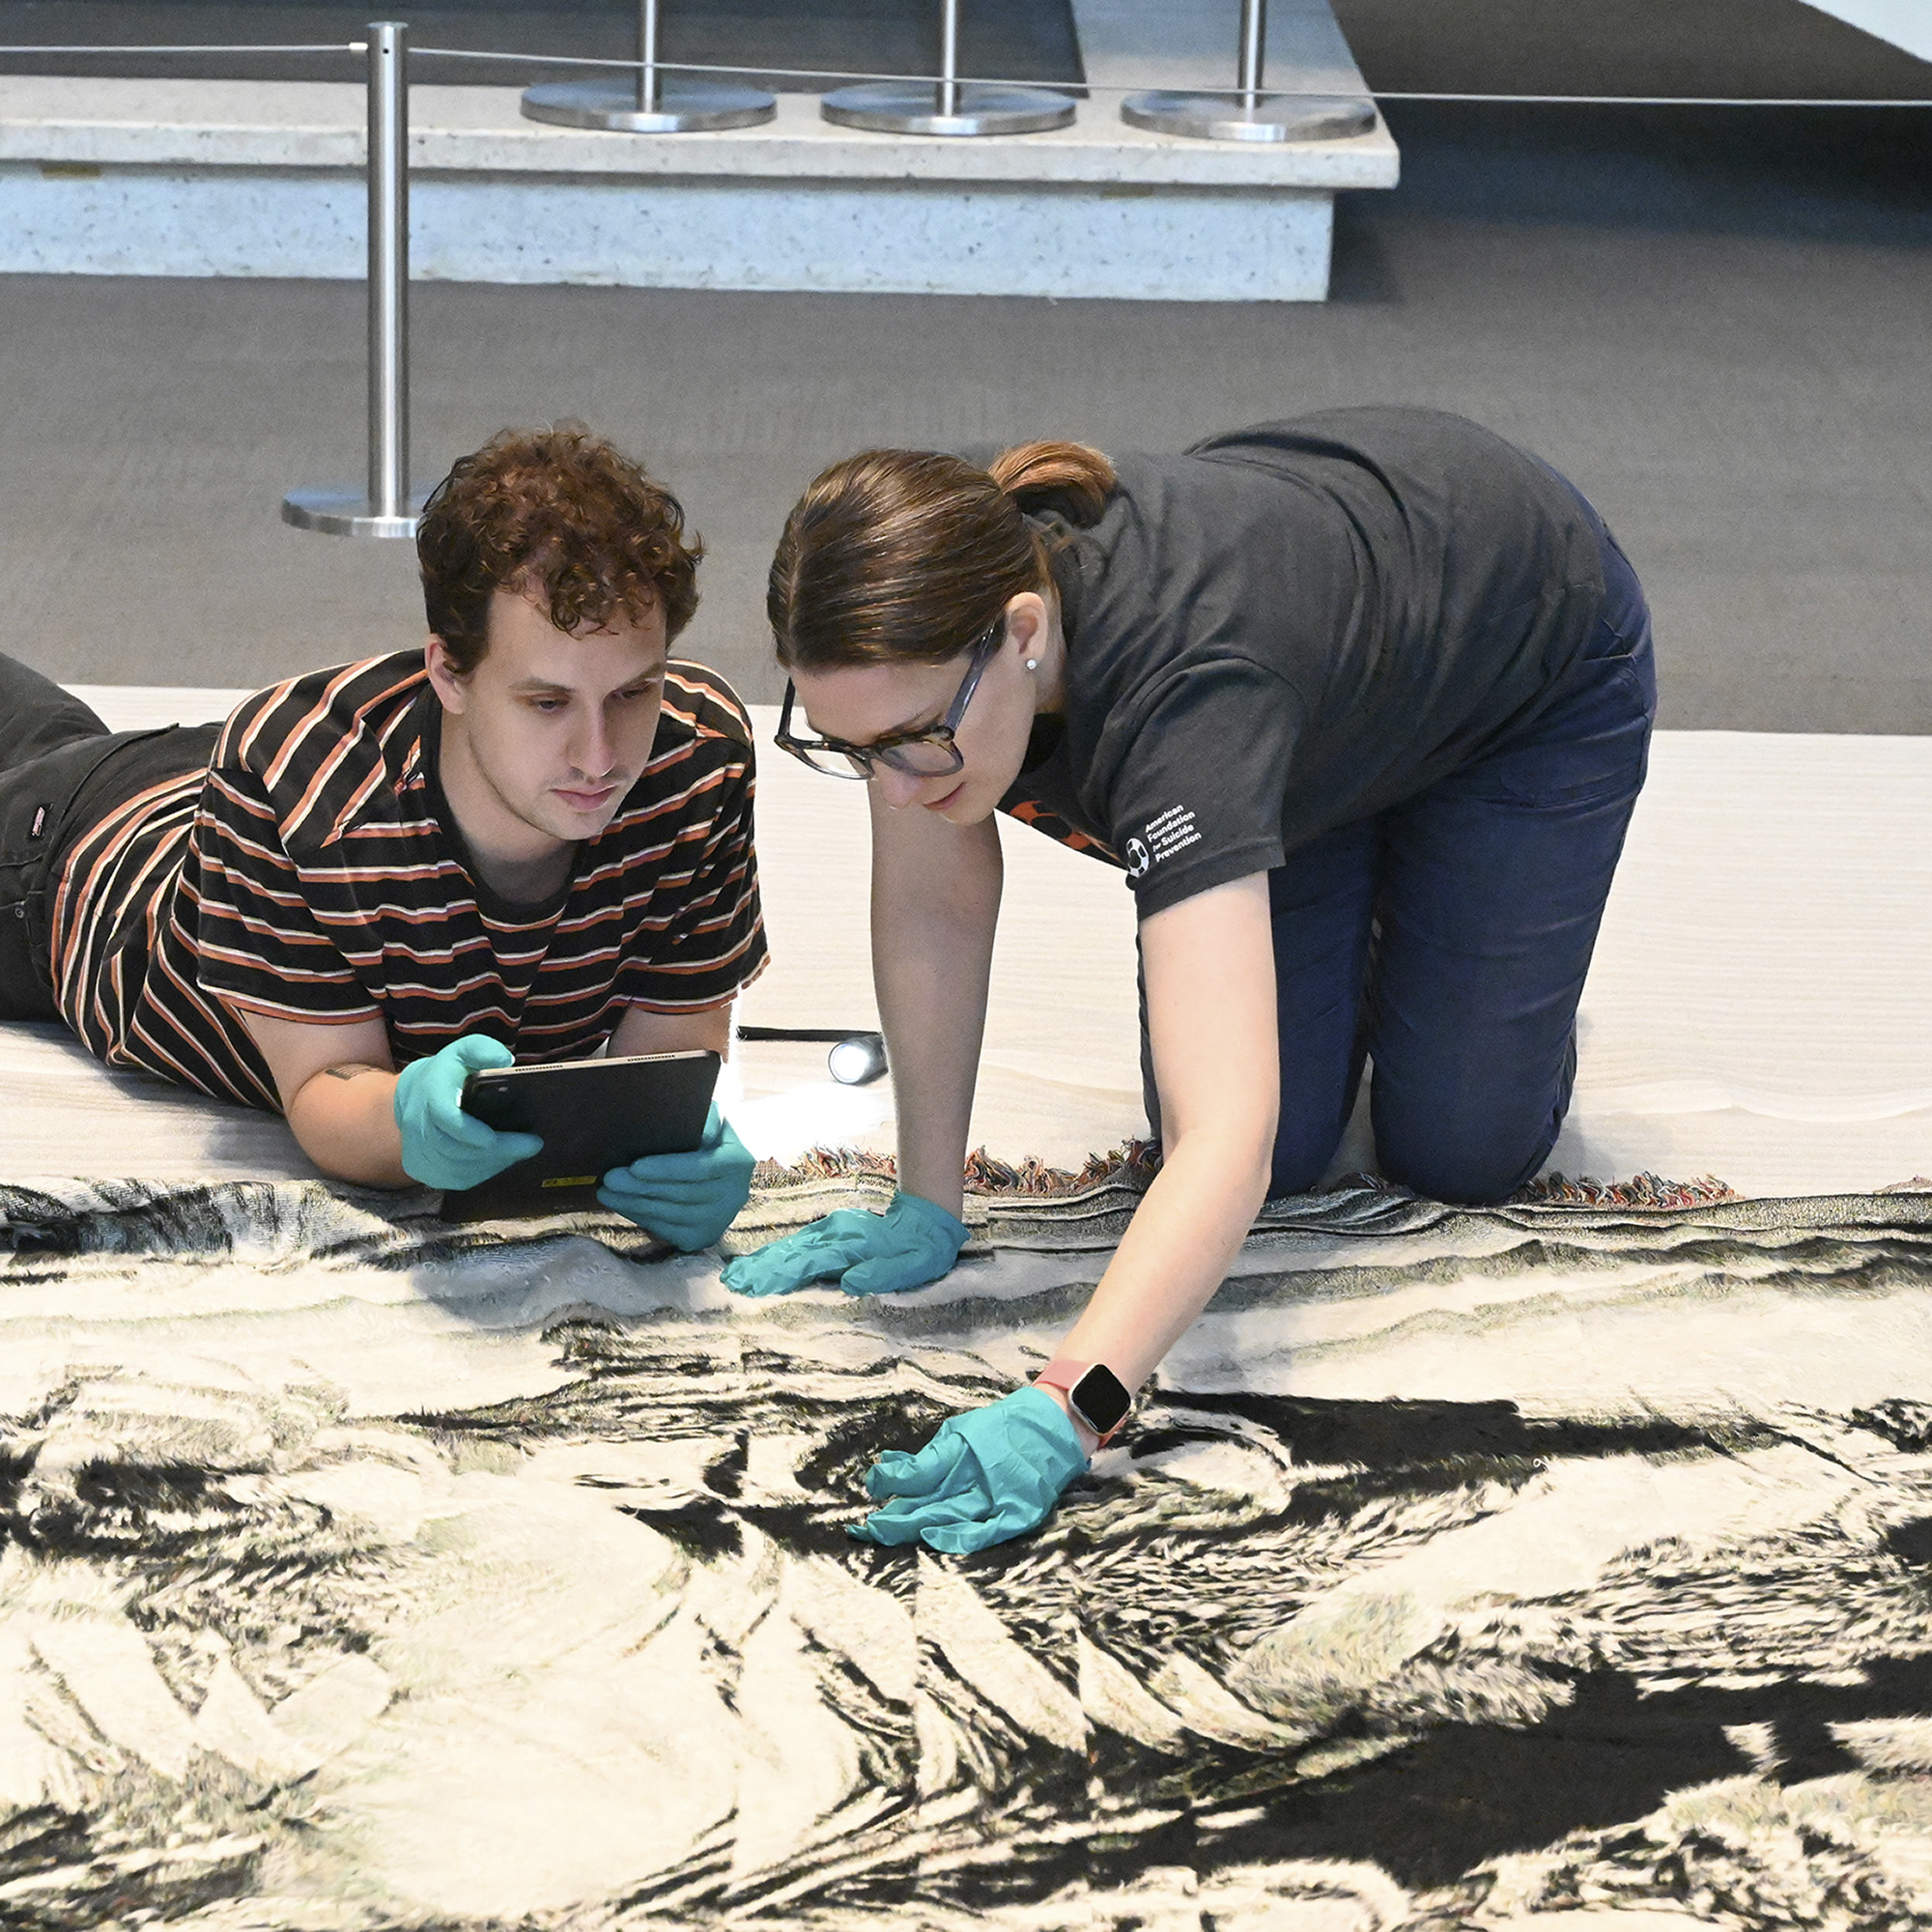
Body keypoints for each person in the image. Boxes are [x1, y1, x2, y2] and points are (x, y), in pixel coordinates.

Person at [724, 406, 1657, 1552]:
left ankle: (1465, 904)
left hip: (1521, 661)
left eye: (909, 742)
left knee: (1458, 1143)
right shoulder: (913, 593)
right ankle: (1371, 855)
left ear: (1020, 631)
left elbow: (1228, 1133)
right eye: (851, 747)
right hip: (1300, 702)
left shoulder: (1184, 704)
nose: (894, 784)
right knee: (1290, 1159)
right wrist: (926, 1196)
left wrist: (1073, 1404)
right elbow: (932, 906)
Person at [0, 425, 765, 1248]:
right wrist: (406, 1122)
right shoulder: (295, 782)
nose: (599, 757)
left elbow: (665, 1069)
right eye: (546, 703)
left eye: (630, 695)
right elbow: (325, 1092)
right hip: (73, 868)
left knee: (48, 732)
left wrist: (674, 1150)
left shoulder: (698, 762)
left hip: (246, 797)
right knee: (55, 753)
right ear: (447, 673)